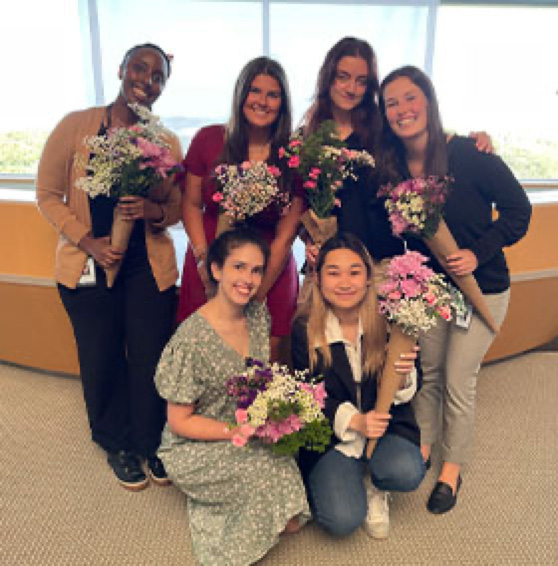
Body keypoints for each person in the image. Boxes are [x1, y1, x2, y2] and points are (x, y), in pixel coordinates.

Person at [378, 65, 532, 514]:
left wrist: (476, 253)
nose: (403, 109)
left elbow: (519, 212)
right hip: (431, 293)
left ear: (428, 99)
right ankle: (424, 448)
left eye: (410, 97)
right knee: (430, 373)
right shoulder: (393, 168)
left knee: (459, 380)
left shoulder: (470, 153)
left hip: (484, 288)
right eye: (392, 103)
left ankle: (452, 469)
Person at [36, 43, 182, 490]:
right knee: (100, 357)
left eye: (157, 76)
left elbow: (174, 207)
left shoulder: (166, 141)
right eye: (140, 68)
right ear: (121, 69)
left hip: (146, 266)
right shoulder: (75, 127)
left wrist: (152, 212)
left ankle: (149, 441)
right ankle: (115, 441)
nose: (147, 79)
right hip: (88, 262)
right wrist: (88, 241)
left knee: (148, 357)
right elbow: (47, 196)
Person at [156, 227, 309, 566]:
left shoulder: (258, 316)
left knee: (288, 458)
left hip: (246, 425)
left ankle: (249, 499)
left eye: (256, 270)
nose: (248, 279)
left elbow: (260, 379)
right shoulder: (191, 340)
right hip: (197, 441)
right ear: (216, 270)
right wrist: (236, 432)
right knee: (262, 477)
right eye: (238, 267)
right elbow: (179, 421)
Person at [303, 37, 493, 278]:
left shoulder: (383, 127)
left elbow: (425, 140)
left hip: (383, 261)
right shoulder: (309, 137)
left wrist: (474, 139)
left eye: (361, 81)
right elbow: (304, 203)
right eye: (343, 77)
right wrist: (309, 240)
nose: (351, 89)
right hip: (330, 263)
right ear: (328, 76)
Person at [291, 233, 425, 539]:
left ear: (367, 279)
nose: (345, 282)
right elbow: (308, 395)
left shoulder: (392, 319)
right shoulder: (304, 329)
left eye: (354, 272)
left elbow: (416, 381)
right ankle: (349, 475)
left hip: (387, 426)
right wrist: (355, 421)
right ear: (319, 279)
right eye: (333, 273)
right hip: (334, 435)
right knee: (341, 520)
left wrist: (402, 376)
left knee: (407, 471)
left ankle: (376, 485)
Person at [177, 56, 303, 362]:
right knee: (204, 353)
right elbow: (191, 204)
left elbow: (287, 234)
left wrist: (256, 288)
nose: (262, 101)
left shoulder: (293, 154)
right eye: (255, 91)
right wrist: (206, 262)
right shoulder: (209, 139)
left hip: (270, 267)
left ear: (283, 103)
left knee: (263, 357)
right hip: (209, 261)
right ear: (241, 94)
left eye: (272, 95)